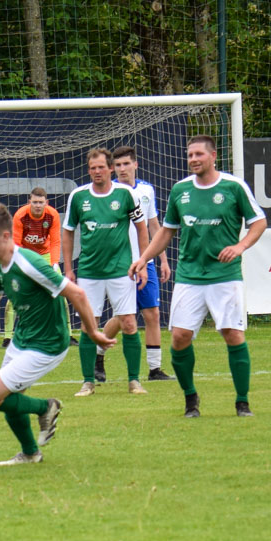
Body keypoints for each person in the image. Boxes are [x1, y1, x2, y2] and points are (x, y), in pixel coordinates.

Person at [0, 204, 114, 466]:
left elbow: (77, 293)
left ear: (6, 236)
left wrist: (93, 332)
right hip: (23, 340)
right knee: (7, 397)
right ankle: (30, 454)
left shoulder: (29, 264)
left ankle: (46, 407)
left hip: (47, 344)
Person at [129, 134, 267, 418]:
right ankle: (191, 399)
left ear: (213, 156)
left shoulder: (233, 186)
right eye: (190, 155)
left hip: (225, 275)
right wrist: (143, 259)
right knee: (180, 337)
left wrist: (240, 247)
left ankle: (242, 402)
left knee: (232, 334)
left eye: (199, 154)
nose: (193, 159)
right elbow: (166, 231)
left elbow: (259, 222)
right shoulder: (181, 190)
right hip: (189, 275)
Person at [62, 146, 149, 397]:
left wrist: (142, 262)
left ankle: (134, 381)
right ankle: (88, 382)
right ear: (88, 171)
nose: (97, 171)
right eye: (93, 168)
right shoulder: (78, 196)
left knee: (129, 323)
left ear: (110, 168)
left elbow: (142, 228)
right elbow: (68, 232)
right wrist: (68, 269)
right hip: (89, 272)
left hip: (122, 270)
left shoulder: (125, 194)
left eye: (101, 167)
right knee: (89, 325)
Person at [99, 145, 173, 383]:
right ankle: (98, 354)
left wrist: (162, 259)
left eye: (126, 164)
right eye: (118, 165)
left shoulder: (146, 190)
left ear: (135, 165)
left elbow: (154, 226)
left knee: (152, 313)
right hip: (121, 262)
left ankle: (155, 369)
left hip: (145, 261)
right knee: (124, 317)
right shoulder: (109, 192)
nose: (122, 169)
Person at [9, 188, 73, 348]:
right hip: (25, 255)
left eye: (40, 202)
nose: (38, 205)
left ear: (46, 203)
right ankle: (7, 337)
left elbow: (55, 241)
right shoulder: (20, 215)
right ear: (29, 202)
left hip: (45, 256)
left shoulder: (52, 215)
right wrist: (19, 264)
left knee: (62, 292)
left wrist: (54, 263)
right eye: (35, 202)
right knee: (14, 293)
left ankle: (68, 333)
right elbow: (16, 243)